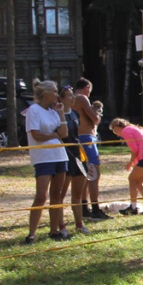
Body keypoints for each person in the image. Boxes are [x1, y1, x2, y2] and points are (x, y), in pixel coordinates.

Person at [24, 79, 69, 244]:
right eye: (55, 91)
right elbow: (36, 135)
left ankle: (54, 230)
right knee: (41, 196)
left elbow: (64, 133)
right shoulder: (33, 110)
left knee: (57, 194)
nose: (57, 95)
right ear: (45, 93)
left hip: (60, 156)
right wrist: (54, 135)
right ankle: (31, 234)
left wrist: (61, 113)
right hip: (43, 158)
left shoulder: (53, 111)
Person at [73, 79, 111, 220]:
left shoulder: (70, 99)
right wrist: (97, 113)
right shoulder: (82, 98)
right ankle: (95, 208)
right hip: (87, 138)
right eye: (89, 90)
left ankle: (84, 208)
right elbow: (95, 119)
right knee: (94, 174)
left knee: (85, 174)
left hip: (78, 138)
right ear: (87, 87)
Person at [55, 85, 91, 235]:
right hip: (63, 155)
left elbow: (78, 135)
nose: (73, 97)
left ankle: (79, 225)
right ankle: (61, 227)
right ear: (61, 98)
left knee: (77, 194)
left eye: (72, 95)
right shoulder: (56, 115)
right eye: (69, 95)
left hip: (77, 155)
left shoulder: (75, 114)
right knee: (60, 195)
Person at [109, 118, 143, 216]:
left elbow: (134, 149)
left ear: (117, 126)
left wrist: (131, 163)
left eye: (114, 130)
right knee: (139, 182)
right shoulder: (134, 128)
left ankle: (133, 208)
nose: (116, 134)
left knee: (132, 179)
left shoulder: (126, 131)